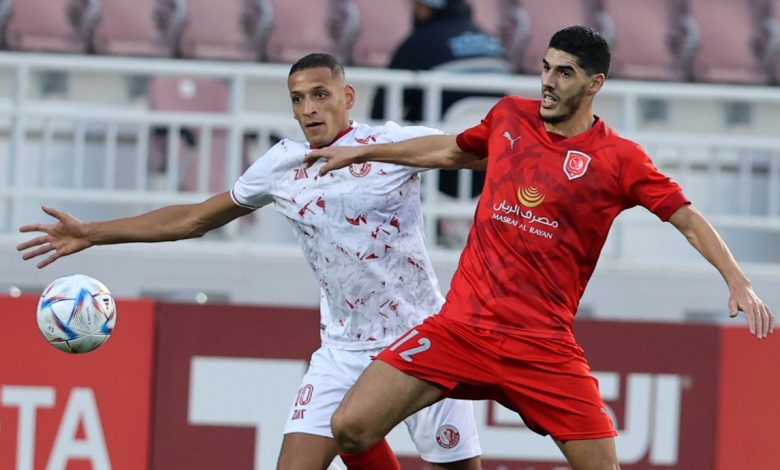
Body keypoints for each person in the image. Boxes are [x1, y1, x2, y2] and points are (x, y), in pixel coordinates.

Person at [304, 26, 776, 469]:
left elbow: (686, 218)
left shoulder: (619, 159)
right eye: (546, 67)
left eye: (564, 72)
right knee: (350, 427)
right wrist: (363, 150)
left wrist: (737, 281)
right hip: (462, 330)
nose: (548, 82)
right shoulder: (510, 115)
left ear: (595, 83)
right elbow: (450, 150)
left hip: (542, 348)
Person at [16, 53, 482, 470]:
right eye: (297, 99)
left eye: (320, 95)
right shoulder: (282, 166)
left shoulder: (390, 145)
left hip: (422, 338)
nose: (308, 109)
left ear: (348, 96)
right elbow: (195, 219)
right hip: (343, 351)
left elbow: (467, 152)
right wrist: (92, 233)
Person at [371, 0, 509, 247]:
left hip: (439, 165)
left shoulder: (418, 43)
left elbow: (380, 112)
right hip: (489, 165)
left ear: (426, 7)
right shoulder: (493, 43)